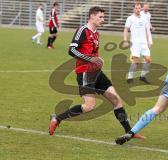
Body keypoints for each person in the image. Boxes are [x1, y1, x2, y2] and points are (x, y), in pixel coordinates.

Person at [48, 6, 144, 139]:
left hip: (97, 72)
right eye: (100, 17)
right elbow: (72, 50)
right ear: (92, 16)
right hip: (85, 73)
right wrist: (91, 59)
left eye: (103, 17)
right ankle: (57, 118)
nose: (102, 20)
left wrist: (97, 61)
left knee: (116, 99)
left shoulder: (96, 33)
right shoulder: (83, 30)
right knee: (89, 106)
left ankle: (130, 132)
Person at [124, 3, 152, 84]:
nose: (138, 10)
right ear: (133, 9)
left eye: (139, 8)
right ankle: (130, 78)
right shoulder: (130, 18)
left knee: (148, 60)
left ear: (141, 9)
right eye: (136, 8)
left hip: (144, 43)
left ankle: (142, 76)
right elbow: (126, 29)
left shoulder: (144, 18)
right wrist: (125, 40)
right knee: (135, 61)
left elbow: (146, 30)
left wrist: (148, 41)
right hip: (135, 43)